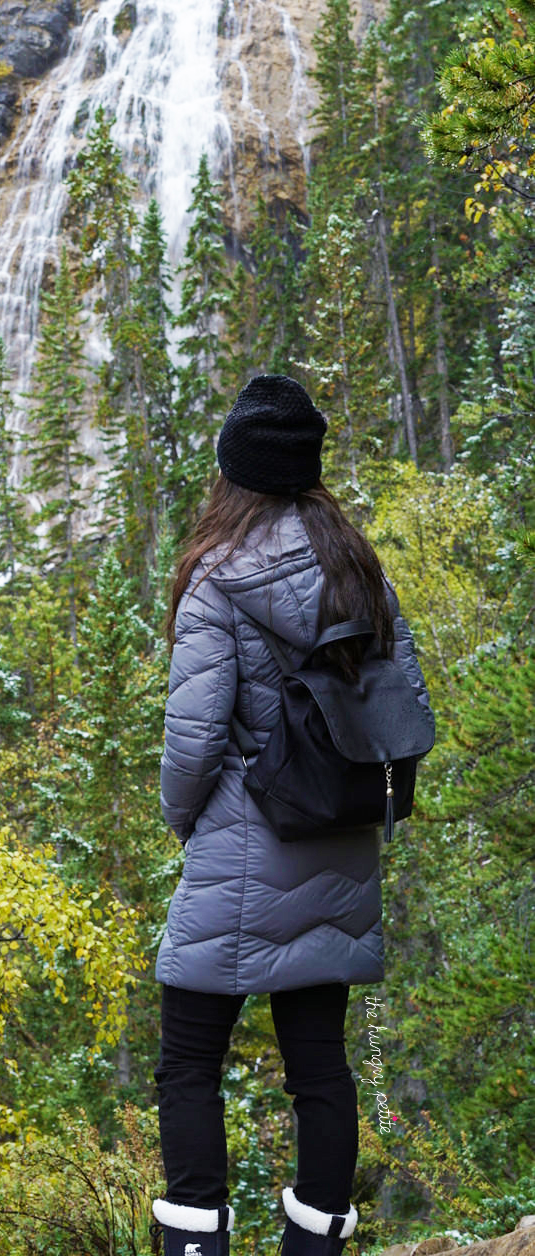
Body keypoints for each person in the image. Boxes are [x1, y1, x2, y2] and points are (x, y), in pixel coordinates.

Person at [151, 375, 433, 1256]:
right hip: (339, 832)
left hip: (242, 838)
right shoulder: (356, 565)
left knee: (188, 1057)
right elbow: (403, 701)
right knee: (318, 1063)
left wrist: (181, 819)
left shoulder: (215, 576)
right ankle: (315, 1245)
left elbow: (194, 738)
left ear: (233, 472)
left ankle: (195, 1241)